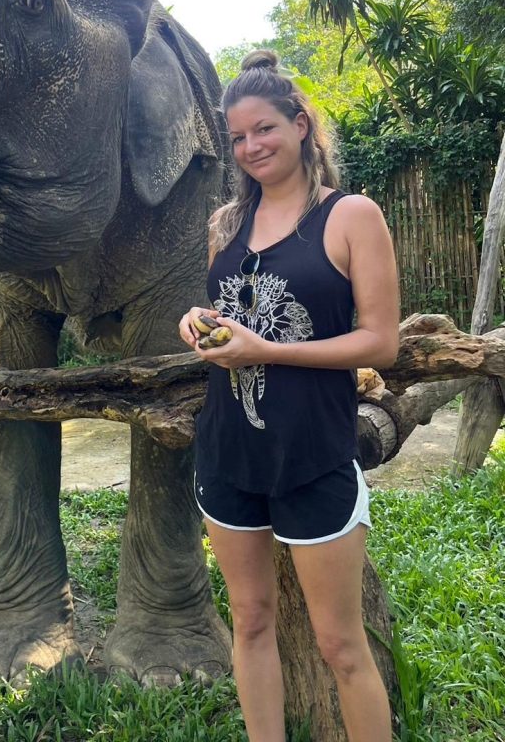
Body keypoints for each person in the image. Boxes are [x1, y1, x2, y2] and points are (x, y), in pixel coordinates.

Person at [179, 50, 399, 742]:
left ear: (302, 124)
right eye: (238, 138)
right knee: (251, 621)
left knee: (341, 646)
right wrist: (195, 322)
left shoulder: (351, 216)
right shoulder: (224, 226)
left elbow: (380, 342)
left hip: (314, 455)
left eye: (265, 129)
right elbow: (230, 321)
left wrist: (269, 351)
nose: (251, 148)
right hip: (229, 452)